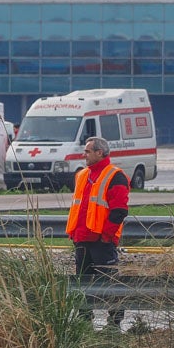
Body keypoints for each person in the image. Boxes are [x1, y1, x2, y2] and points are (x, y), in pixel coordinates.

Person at [66, 136, 129, 330]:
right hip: (82, 239)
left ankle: (114, 323)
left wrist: (106, 236)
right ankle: (85, 323)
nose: (83, 154)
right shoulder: (82, 175)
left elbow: (119, 211)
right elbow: (78, 206)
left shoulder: (115, 175)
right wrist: (75, 233)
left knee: (110, 283)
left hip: (101, 241)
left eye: (87, 151)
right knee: (83, 284)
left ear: (99, 153)